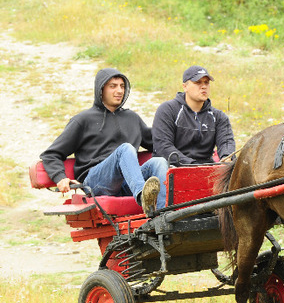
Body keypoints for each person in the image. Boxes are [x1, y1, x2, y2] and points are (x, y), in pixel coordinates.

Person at [40, 68, 168, 216]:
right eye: (113, 86)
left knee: (158, 162)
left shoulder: (132, 118)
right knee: (125, 149)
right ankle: (142, 197)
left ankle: (161, 215)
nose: (119, 90)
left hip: (126, 183)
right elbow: (51, 154)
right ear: (101, 90)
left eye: (122, 86)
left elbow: (159, 142)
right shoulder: (83, 120)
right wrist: (60, 177)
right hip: (96, 182)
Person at [152, 65, 235, 166]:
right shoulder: (167, 110)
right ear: (185, 86)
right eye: (198, 82)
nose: (204, 86)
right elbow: (163, 146)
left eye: (206, 82)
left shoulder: (219, 116)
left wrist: (226, 158)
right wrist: (192, 165)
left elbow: (226, 142)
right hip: (172, 167)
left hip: (206, 168)